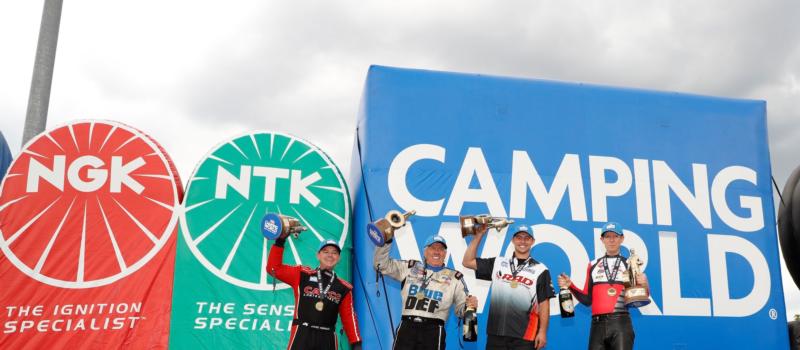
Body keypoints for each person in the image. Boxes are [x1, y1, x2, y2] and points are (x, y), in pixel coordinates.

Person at [374, 234, 478, 350]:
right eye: (433, 248)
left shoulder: (455, 278)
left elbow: (461, 310)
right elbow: (381, 265)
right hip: (407, 328)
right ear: (425, 251)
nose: (437, 252)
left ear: (445, 254)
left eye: (441, 249)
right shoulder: (410, 268)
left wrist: (469, 307)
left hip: (433, 331)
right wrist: (386, 240)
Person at [462, 223, 555, 350]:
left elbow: (544, 303)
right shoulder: (498, 263)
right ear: (513, 240)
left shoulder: (541, 270)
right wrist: (479, 235)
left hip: (525, 336)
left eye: (527, 238)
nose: (522, 241)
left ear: (532, 241)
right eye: (519, 237)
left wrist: (542, 332)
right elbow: (467, 262)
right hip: (496, 334)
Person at [557, 222, 648, 350]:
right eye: (607, 236)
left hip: (620, 324)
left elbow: (641, 296)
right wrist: (570, 285)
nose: (611, 240)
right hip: (597, 325)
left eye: (615, 236)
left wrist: (644, 283)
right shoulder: (593, 264)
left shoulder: (629, 263)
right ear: (602, 239)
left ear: (622, 239)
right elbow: (587, 300)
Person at [268, 236, 362, 350]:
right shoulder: (302, 274)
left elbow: (349, 317)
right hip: (302, 334)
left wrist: (356, 343)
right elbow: (273, 268)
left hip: (328, 338)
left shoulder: (344, 287)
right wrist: (280, 241)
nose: (330, 255)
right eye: (325, 251)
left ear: (339, 258)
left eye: (334, 253)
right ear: (318, 255)